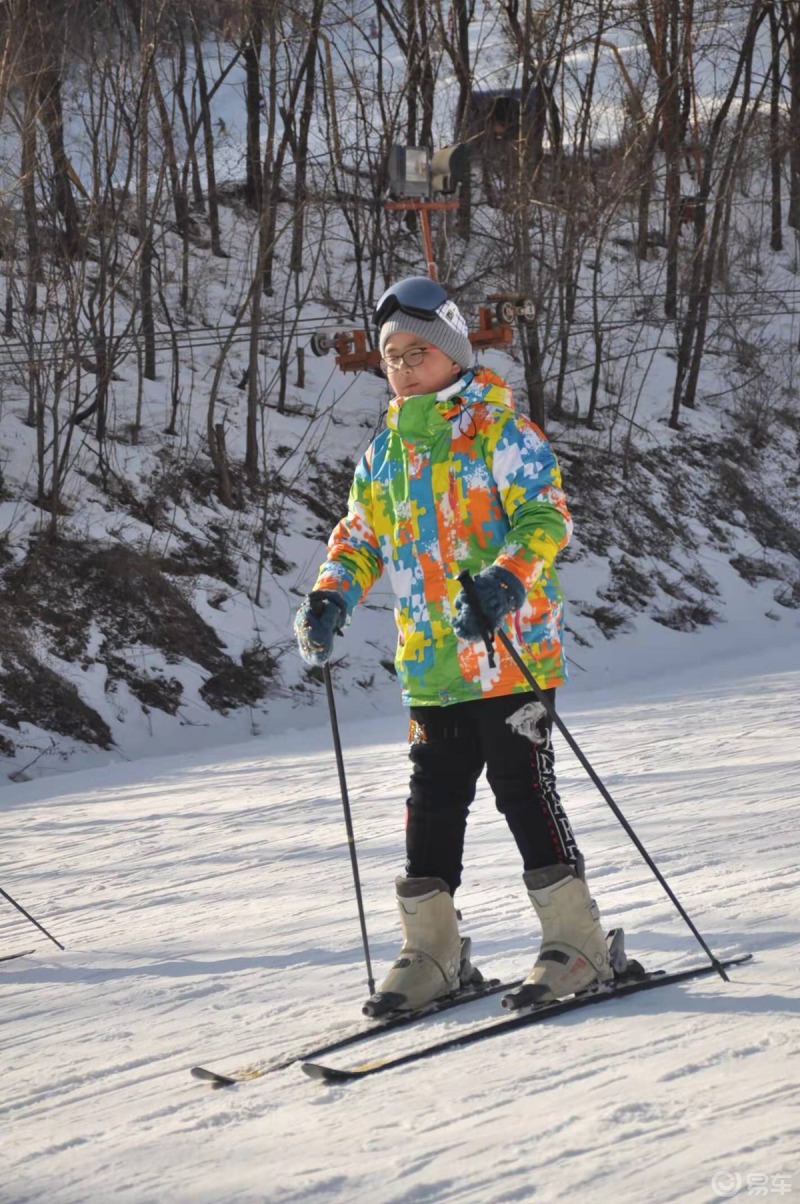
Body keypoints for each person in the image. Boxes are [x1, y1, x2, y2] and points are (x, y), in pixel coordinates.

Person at [294, 276, 613, 1015]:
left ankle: (577, 941)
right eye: (392, 357)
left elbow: (546, 517)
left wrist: (506, 580)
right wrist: (333, 594)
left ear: (452, 351)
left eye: (417, 352)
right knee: (432, 800)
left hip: (508, 653)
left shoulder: (502, 432)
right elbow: (361, 536)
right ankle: (433, 950)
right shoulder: (385, 454)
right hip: (432, 666)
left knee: (522, 789)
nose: (403, 368)